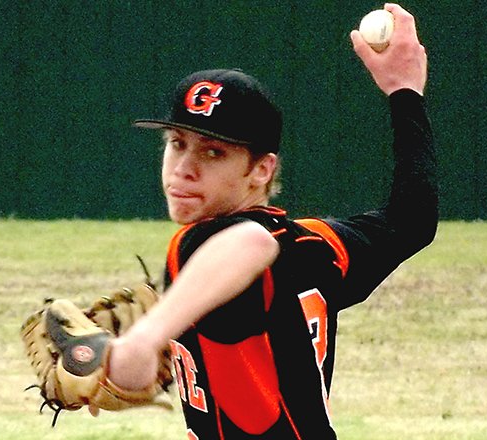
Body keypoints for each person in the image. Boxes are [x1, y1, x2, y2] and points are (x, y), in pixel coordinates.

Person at [107, 3, 437, 439]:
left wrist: (145, 337)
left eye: (213, 152)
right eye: (176, 142)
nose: (183, 167)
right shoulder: (319, 246)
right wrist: (405, 92)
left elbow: (250, 244)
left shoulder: (208, 243)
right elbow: (412, 219)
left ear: (261, 170)